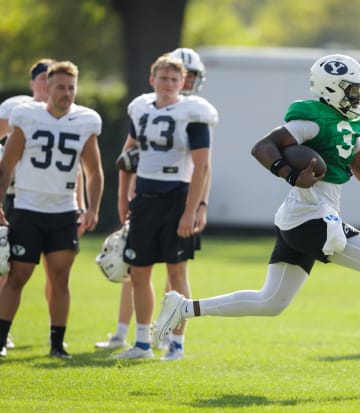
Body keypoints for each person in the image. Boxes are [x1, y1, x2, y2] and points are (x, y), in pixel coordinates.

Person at [151, 54, 360, 379]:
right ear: (331, 90)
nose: (358, 98)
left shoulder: (347, 122)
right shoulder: (312, 119)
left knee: (270, 301)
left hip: (302, 217)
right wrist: (289, 173)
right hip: (312, 215)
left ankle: (183, 307)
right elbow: (263, 146)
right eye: (351, 91)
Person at [94, 47, 213, 355]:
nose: (168, 83)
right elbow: (127, 157)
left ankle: (177, 342)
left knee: (176, 274)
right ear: (152, 79)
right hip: (145, 197)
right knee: (138, 272)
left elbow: (202, 166)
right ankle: (143, 342)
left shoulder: (195, 113)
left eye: (174, 78)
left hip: (177, 196)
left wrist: (192, 209)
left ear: (182, 82)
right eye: (163, 77)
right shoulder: (141, 109)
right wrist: (123, 197)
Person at [0, 60, 104, 358]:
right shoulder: (27, 117)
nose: (66, 93)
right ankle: (1, 339)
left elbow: (94, 172)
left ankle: (57, 344)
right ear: (47, 89)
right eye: (60, 87)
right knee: (17, 276)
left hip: (63, 211)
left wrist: (92, 208)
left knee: (60, 278)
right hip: (28, 207)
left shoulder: (85, 121)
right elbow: (6, 166)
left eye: (71, 88)